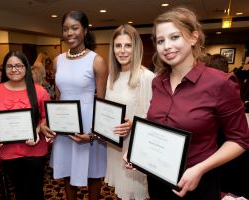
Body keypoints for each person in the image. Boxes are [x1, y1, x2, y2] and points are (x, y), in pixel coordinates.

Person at [145, 7, 249, 200]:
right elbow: (157, 125)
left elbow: (240, 140)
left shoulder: (220, 82)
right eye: (160, 41)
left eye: (174, 37)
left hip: (197, 184)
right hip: (158, 181)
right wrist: (138, 150)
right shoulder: (158, 82)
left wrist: (200, 169)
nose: (166, 46)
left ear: (193, 38)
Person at [41, 10, 108, 200]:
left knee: (92, 173)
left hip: (88, 125)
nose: (69, 33)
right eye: (65, 29)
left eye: (74, 28)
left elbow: (102, 104)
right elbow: (59, 97)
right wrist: (52, 123)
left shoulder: (97, 61)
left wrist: (94, 134)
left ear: (85, 31)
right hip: (65, 125)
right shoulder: (57, 60)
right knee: (68, 173)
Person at [0, 51, 50, 200]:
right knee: (20, 191)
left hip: (35, 150)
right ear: (5, 69)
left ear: (26, 67)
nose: (14, 70)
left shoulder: (39, 91)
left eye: (18, 65)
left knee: (36, 191)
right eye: (10, 66)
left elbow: (46, 117)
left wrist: (36, 130)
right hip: (9, 152)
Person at [104, 24, 154, 200]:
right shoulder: (113, 76)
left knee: (134, 194)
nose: (122, 51)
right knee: (121, 194)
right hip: (114, 147)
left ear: (136, 48)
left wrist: (133, 124)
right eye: (118, 46)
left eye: (128, 45)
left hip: (132, 148)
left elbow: (154, 117)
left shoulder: (146, 77)